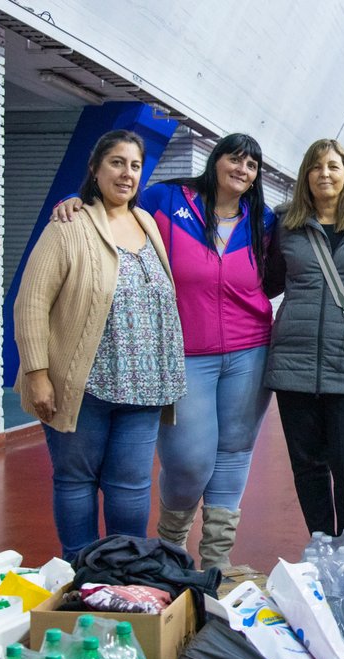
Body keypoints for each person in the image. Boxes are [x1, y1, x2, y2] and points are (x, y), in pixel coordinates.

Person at [51, 133, 277, 571]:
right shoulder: (167, 198)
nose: (242, 170)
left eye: (251, 165)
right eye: (235, 159)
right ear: (216, 161)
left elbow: (283, 270)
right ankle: (171, 547)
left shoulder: (263, 219)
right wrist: (72, 200)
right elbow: (114, 209)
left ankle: (216, 560)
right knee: (189, 462)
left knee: (233, 453)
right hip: (186, 352)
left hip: (250, 349)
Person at [15, 130, 185, 562]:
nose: (126, 173)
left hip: (144, 386)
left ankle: (125, 570)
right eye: (116, 162)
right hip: (83, 383)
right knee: (76, 480)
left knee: (131, 486)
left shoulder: (147, 223)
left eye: (134, 165)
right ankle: (80, 570)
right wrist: (37, 374)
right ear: (95, 168)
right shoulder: (69, 225)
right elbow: (32, 300)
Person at [264, 139, 344, 536]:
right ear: (305, 176)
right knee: (307, 465)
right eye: (316, 167)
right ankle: (320, 543)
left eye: (333, 167)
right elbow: (264, 281)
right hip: (292, 363)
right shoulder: (285, 224)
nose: (324, 174)